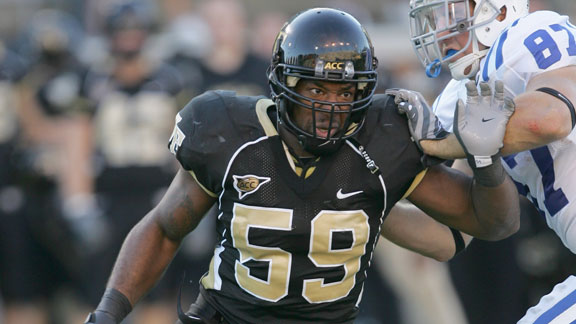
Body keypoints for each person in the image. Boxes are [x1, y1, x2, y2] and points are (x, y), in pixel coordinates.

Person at [84, 8, 521, 324]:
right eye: (319, 87)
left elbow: (493, 224)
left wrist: (485, 161)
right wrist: (108, 312)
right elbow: (164, 227)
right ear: (284, 82)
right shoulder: (229, 132)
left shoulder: (383, 141)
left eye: (345, 92)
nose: (332, 105)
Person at [397, 0, 576, 322]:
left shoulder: (529, 33)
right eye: (434, 19)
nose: (441, 33)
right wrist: (372, 201)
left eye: (451, 17)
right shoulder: (459, 98)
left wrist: (441, 145)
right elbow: (451, 236)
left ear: (501, 11)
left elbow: (549, 119)